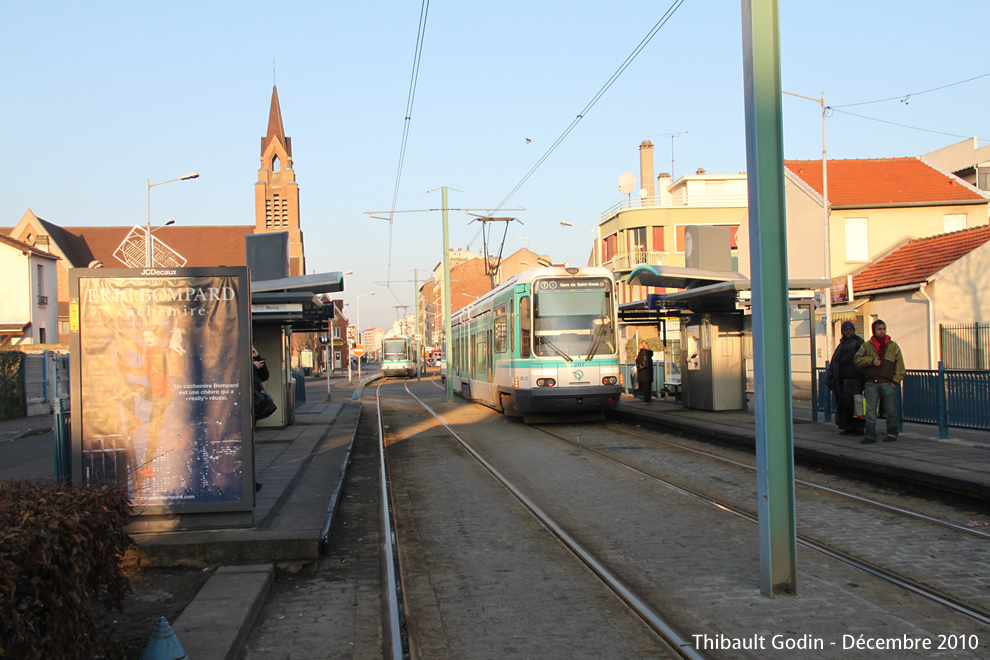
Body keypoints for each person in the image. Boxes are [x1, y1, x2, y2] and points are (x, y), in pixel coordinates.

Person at [854, 319, 906, 444]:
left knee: (891, 411)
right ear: (874, 330)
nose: (882, 331)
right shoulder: (867, 346)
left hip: (887, 383)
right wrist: (872, 361)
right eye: (879, 329)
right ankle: (871, 435)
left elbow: (900, 366)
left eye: (884, 329)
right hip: (871, 382)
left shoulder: (893, 346)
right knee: (871, 411)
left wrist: (895, 381)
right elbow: (857, 359)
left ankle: (892, 433)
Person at [824, 321, 865, 436]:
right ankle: (847, 426)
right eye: (846, 330)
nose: (848, 332)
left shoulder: (858, 343)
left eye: (850, 330)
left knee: (855, 405)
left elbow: (863, 362)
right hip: (842, 382)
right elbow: (834, 363)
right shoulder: (841, 345)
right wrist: (830, 379)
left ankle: (858, 427)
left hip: (855, 382)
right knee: (843, 405)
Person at [635, 340, 654, 404]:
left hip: (643, 372)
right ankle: (648, 400)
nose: (639, 346)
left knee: (645, 387)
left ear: (642, 345)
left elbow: (640, 361)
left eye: (640, 344)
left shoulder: (642, 352)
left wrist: (636, 359)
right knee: (648, 387)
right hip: (649, 371)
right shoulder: (649, 352)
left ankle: (647, 401)